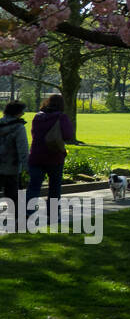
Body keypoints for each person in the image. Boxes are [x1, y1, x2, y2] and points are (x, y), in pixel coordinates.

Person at [27, 94, 74, 225]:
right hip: (54, 156)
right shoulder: (61, 117)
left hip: (36, 156)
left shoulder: (38, 116)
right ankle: (52, 216)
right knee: (54, 188)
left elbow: (34, 134)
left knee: (34, 186)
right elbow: (68, 135)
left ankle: (27, 212)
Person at [0, 101, 28, 209]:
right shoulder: (19, 128)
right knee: (13, 195)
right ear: (17, 112)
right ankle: (17, 219)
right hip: (12, 166)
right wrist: (27, 168)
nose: (23, 113)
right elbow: (23, 149)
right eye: (22, 111)